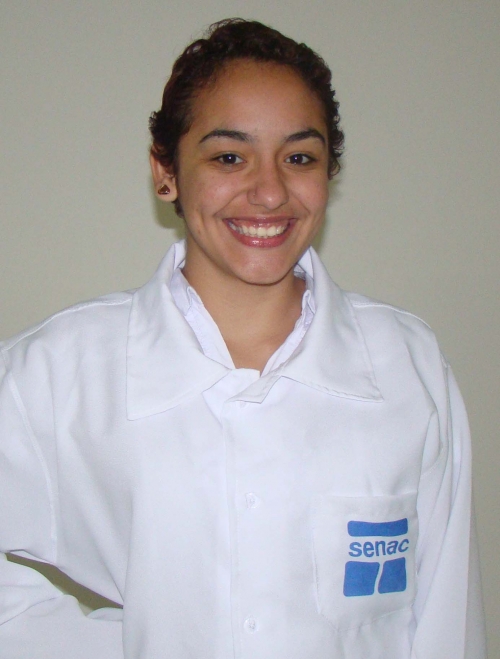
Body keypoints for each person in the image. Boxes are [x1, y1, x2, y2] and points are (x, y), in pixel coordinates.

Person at [0, 18, 486, 659]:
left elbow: (447, 621)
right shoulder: (57, 372)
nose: (269, 191)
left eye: (299, 157)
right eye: (229, 157)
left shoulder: (406, 366)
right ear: (166, 172)